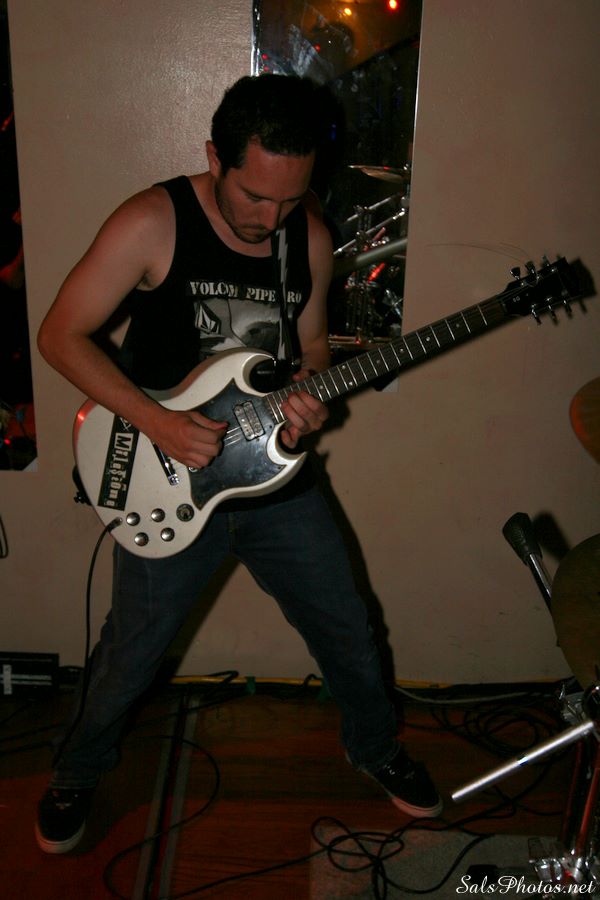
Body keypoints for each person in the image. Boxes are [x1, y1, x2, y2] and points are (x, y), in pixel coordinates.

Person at [35, 74, 442, 855]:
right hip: (165, 476)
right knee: (131, 655)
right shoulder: (152, 221)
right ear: (215, 157)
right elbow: (60, 336)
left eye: (290, 199)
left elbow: (312, 347)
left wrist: (310, 395)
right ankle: (76, 770)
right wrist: (158, 421)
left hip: (274, 478)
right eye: (254, 196)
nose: (270, 218)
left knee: (347, 626)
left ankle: (375, 747)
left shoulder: (307, 236)